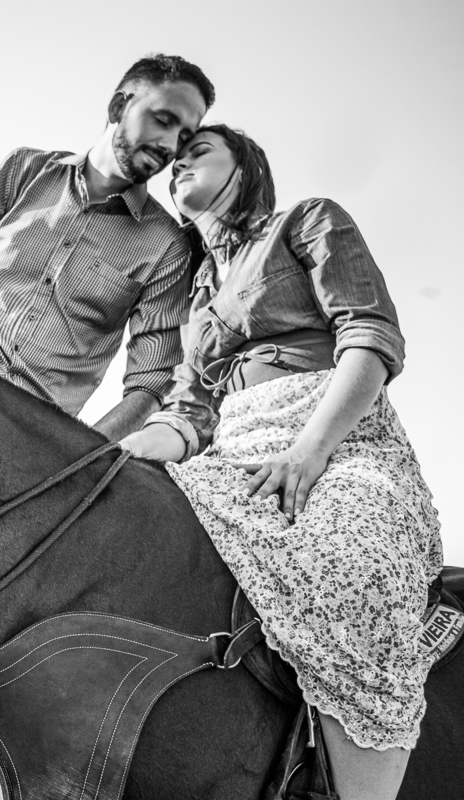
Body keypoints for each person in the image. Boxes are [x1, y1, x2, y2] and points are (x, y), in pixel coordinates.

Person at [119, 125, 442, 800]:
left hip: (337, 436)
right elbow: (191, 411)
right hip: (235, 449)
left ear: (247, 168)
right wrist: (119, 456)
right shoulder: (197, 297)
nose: (179, 163)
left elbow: (370, 339)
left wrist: (311, 450)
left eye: (198, 151)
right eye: (173, 161)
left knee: (359, 561)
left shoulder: (308, 219)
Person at [0, 54, 213, 440]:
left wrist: (79, 456)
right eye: (163, 120)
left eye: (184, 137)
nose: (170, 144)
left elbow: (149, 385)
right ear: (119, 106)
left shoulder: (167, 247)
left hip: (25, 435)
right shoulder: (23, 170)